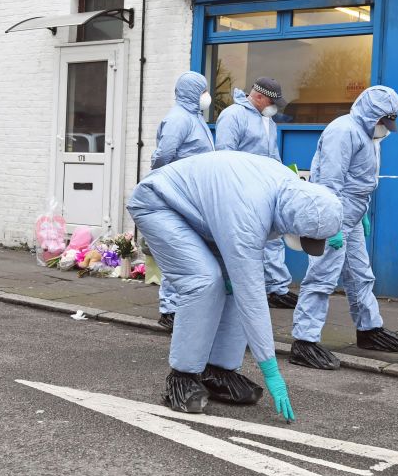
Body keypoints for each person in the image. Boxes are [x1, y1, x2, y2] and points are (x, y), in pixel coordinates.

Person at [127, 151, 342, 419]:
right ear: (293, 223)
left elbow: (318, 206)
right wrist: (271, 372)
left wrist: (332, 225)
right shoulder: (248, 215)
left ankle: (219, 371)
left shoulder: (295, 192)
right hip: (160, 203)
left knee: (233, 285)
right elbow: (251, 299)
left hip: (207, 211)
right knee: (204, 281)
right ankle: (182, 377)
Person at [290, 86, 398, 370]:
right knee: (322, 277)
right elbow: (330, 183)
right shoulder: (343, 131)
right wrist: (333, 225)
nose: (385, 129)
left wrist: (360, 215)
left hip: (351, 214)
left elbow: (359, 180)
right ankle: (304, 341)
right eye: (382, 122)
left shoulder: (368, 134)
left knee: (360, 274)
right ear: (371, 114)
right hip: (333, 214)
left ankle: (369, 329)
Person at [215, 77, 297, 309]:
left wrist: (284, 179)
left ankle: (277, 288)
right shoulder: (233, 116)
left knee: (274, 237)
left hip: (265, 189)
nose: (276, 108)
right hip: (242, 190)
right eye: (272, 102)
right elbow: (225, 156)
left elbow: (272, 155)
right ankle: (234, 286)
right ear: (258, 97)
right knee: (242, 239)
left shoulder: (268, 121)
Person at [151, 71, 215, 331]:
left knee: (190, 250)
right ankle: (170, 309)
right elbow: (164, 154)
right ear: (192, 92)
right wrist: (165, 179)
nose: (206, 97)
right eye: (203, 91)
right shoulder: (179, 119)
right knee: (177, 251)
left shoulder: (193, 117)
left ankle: (181, 306)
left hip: (194, 193)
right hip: (181, 193)